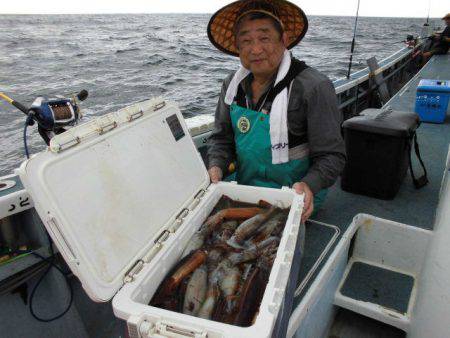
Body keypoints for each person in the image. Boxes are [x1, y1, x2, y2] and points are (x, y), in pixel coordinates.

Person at [206, 0, 345, 223]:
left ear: (284, 40)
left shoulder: (313, 87)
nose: (256, 49)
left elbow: (332, 156)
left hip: (294, 195)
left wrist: (309, 185)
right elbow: (221, 138)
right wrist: (216, 165)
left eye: (264, 38)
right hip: (244, 188)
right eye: (246, 40)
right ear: (238, 46)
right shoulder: (231, 85)